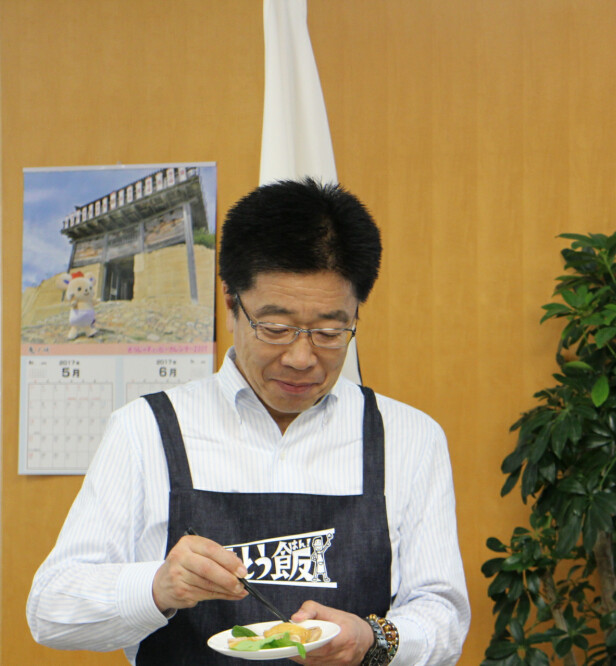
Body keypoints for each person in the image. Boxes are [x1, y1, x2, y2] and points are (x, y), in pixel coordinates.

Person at [27, 179, 471, 665]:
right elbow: (51, 608)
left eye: (329, 331)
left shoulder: (408, 436)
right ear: (230, 302)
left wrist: (373, 639)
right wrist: (158, 586)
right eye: (275, 328)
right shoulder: (146, 429)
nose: (302, 358)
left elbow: (442, 614)